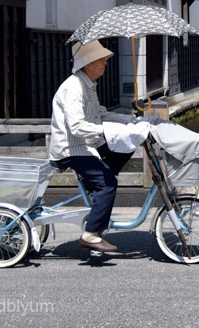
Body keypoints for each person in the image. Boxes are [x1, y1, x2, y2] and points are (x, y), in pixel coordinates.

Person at [48, 40, 138, 252]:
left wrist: (129, 122)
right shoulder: (74, 87)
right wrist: (108, 131)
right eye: (101, 60)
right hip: (71, 148)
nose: (105, 64)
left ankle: (91, 184)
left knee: (126, 145)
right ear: (87, 63)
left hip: (87, 143)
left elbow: (101, 114)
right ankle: (91, 234)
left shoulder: (87, 85)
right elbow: (77, 127)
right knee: (107, 183)